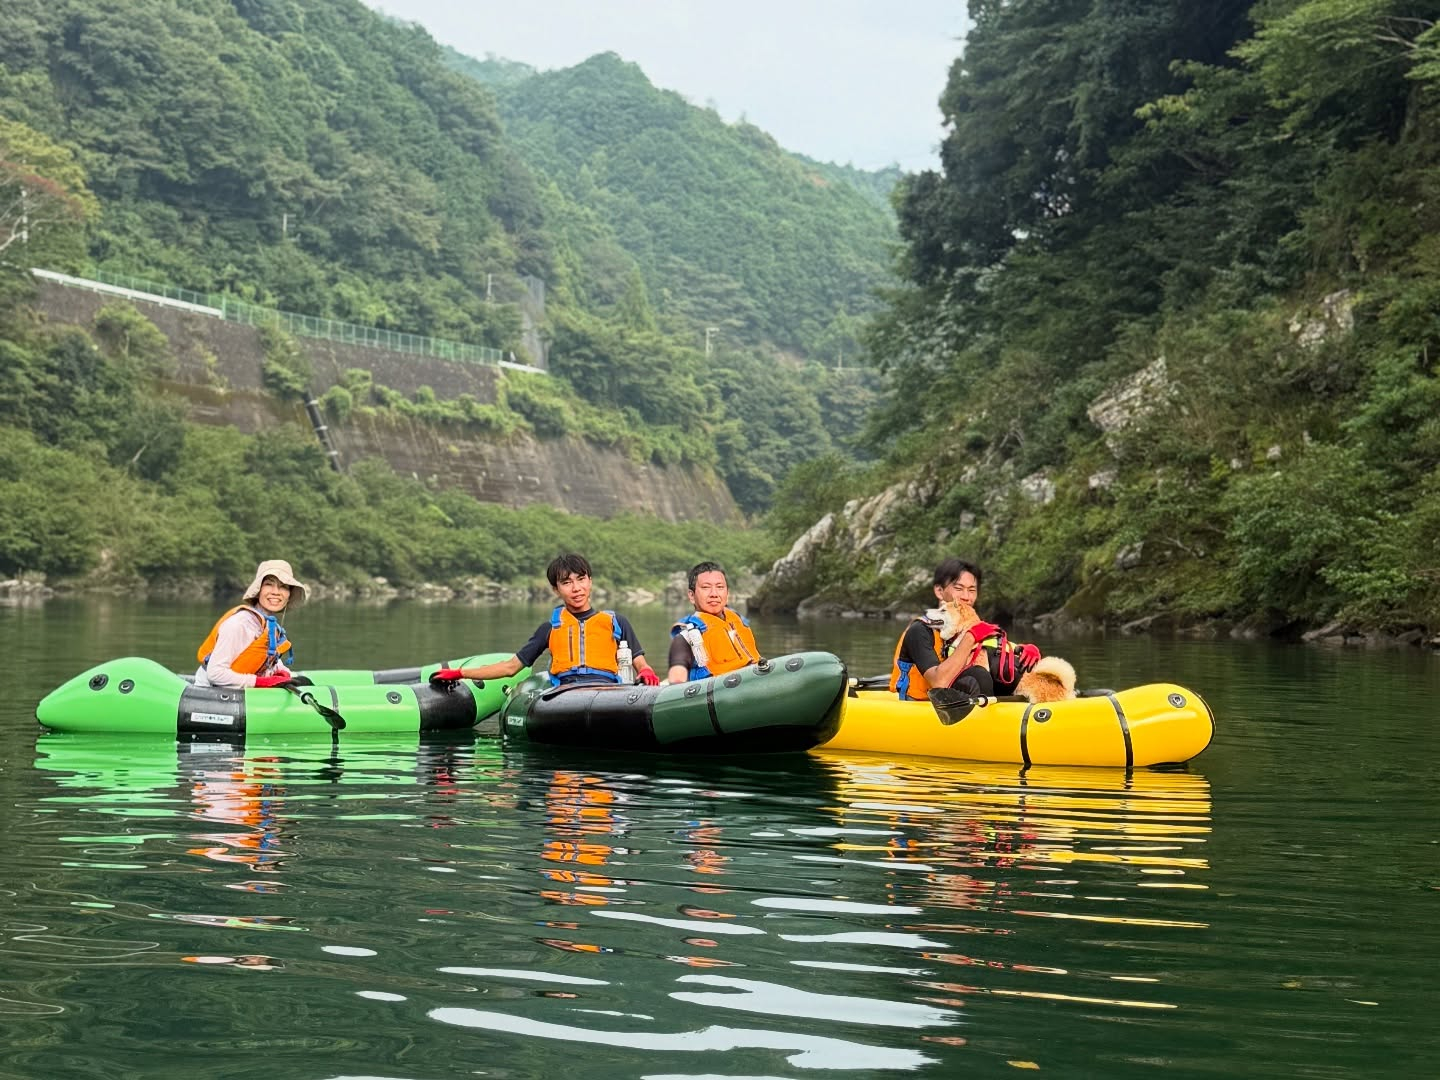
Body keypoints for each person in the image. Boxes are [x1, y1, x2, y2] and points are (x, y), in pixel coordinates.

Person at [434, 553, 660, 687]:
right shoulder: (550, 628)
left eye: (581, 579)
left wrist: (646, 671)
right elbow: (511, 667)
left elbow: (639, 661)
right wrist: (460, 673)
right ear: (556, 589)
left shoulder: (615, 621)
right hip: (565, 693)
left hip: (608, 692)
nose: (576, 588)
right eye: (567, 583)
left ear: (590, 581)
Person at [196, 560, 305, 689]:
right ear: (258, 590)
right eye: (269, 584)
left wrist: (283, 672)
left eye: (283, 586)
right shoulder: (239, 623)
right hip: (211, 691)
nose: (276, 592)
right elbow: (215, 674)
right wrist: (261, 682)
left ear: (289, 594)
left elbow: (265, 659)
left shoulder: (269, 625)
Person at [666, 561, 761, 683]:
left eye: (720, 587)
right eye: (706, 587)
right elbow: (676, 679)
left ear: (727, 593)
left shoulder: (738, 621)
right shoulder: (685, 637)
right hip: (720, 691)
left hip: (754, 681)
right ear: (691, 596)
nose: (714, 594)